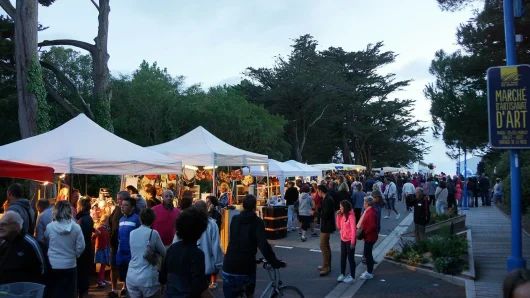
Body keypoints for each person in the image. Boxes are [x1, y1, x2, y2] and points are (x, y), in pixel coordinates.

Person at [222, 194, 286, 298]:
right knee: (249, 293)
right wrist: (275, 262)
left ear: (243, 205)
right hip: (246, 265)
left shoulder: (235, 219)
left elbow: (236, 239)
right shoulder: (257, 222)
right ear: (254, 207)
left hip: (229, 263)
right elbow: (263, 245)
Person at [160, 207, 213, 298]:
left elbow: (162, 278)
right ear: (200, 231)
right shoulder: (197, 254)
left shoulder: (173, 248)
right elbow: (198, 287)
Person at [177, 200, 223, 290]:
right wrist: (218, 263)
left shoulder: (187, 221)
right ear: (206, 209)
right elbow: (216, 245)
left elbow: (177, 240)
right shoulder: (212, 224)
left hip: (188, 264)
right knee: (202, 290)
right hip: (205, 265)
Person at [45, 201, 85, 298]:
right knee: (69, 293)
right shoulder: (76, 227)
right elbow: (81, 246)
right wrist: (75, 254)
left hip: (52, 264)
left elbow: (46, 241)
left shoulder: (50, 227)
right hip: (70, 264)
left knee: (54, 292)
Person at [127, 208, 166, 298]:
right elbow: (164, 252)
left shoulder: (132, 233)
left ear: (140, 218)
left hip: (132, 275)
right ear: (153, 220)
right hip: (147, 278)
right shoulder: (153, 233)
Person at [0, 211, 47, 284]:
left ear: (16, 226)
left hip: (26, 291)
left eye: (4, 224)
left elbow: (44, 269)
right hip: (7, 291)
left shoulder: (32, 244)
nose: (0, 227)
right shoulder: (4, 243)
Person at [117, 196, 141, 298]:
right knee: (124, 277)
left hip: (132, 255)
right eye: (122, 205)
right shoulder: (121, 219)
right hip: (122, 254)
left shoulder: (137, 219)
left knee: (132, 280)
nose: (123, 207)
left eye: (126, 205)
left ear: (132, 208)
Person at [314, 185, 336, 276]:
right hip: (326, 225)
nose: (317, 193)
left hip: (327, 225)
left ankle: (327, 266)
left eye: (318, 191)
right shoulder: (326, 199)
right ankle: (326, 265)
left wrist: (315, 213)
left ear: (320, 191)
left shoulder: (327, 200)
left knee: (323, 245)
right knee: (326, 245)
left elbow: (325, 215)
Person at [76, 197, 94, 298]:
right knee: (84, 272)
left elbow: (80, 236)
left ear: (81, 206)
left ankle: (82, 292)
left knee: (81, 272)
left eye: (78, 205)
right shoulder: (88, 218)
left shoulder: (81, 219)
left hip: (82, 249)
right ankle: (83, 291)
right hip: (87, 248)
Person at [108, 191, 126, 297]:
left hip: (126, 246)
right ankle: (114, 289)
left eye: (120, 199)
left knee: (125, 267)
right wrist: (110, 234)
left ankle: (125, 287)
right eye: (118, 198)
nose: (118, 200)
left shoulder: (134, 212)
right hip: (114, 244)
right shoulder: (116, 209)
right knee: (113, 266)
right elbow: (110, 222)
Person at [357, 196, 378, 280]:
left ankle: (369, 272)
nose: (363, 204)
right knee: (368, 253)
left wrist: (364, 232)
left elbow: (372, 226)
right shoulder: (369, 211)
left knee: (367, 254)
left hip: (370, 236)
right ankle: (369, 270)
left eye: (364, 203)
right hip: (370, 236)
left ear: (368, 203)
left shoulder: (371, 212)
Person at [336, 201, 356, 283]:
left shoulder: (351, 216)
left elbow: (353, 229)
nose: (340, 208)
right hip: (343, 238)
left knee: (350, 258)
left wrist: (353, 242)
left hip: (349, 239)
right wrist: (338, 216)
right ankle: (342, 274)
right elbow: (339, 226)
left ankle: (352, 276)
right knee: (343, 257)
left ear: (345, 207)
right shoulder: (343, 215)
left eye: (341, 207)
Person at [93, 214, 111, 288]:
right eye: (107, 221)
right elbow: (93, 237)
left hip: (104, 247)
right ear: (103, 221)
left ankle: (102, 279)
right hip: (101, 248)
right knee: (103, 264)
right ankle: (100, 280)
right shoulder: (100, 228)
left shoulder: (105, 228)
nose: (108, 223)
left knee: (103, 265)